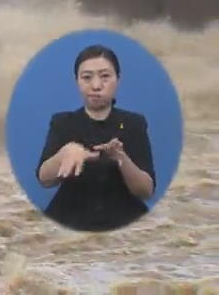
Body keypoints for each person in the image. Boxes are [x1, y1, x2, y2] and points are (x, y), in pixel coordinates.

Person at [35, 45, 156, 231]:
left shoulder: (133, 123)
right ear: (77, 81)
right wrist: (65, 153)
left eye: (105, 76)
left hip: (125, 226)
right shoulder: (63, 122)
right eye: (87, 77)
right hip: (69, 223)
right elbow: (44, 179)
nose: (96, 85)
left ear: (118, 79)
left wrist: (121, 158)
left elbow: (146, 190)